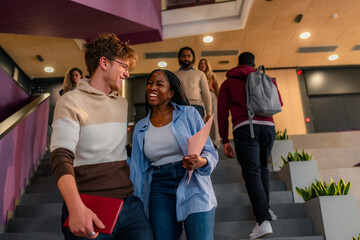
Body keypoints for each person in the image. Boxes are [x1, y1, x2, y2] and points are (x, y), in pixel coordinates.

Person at [50, 33, 153, 240]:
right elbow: (61, 157)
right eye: (124, 66)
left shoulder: (121, 103)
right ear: (104, 63)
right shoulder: (70, 101)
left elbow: (118, 148)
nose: (126, 74)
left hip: (129, 205)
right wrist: (76, 208)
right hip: (89, 205)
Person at [128, 69, 218, 240]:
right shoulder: (140, 127)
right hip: (159, 186)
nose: (152, 88)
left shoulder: (189, 114)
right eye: (149, 83)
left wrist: (201, 161)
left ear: (170, 93)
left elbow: (210, 151)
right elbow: (137, 171)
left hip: (192, 181)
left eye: (159, 84)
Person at [217, 52, 283, 239]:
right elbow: (280, 102)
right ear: (253, 64)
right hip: (269, 127)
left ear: (238, 63)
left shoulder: (228, 82)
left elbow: (222, 113)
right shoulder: (265, 78)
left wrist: (224, 139)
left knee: (252, 172)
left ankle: (262, 221)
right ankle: (266, 210)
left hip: (246, 127)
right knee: (262, 169)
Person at [174, 47, 212, 122]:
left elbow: (206, 94)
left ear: (193, 58)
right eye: (184, 56)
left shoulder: (200, 74)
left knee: (196, 133)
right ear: (179, 58)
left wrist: (209, 113)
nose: (186, 58)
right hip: (179, 107)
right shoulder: (174, 75)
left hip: (197, 107)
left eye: (189, 56)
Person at [198, 58, 220, 149]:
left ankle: (215, 141)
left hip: (212, 97)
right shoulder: (197, 75)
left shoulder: (212, 76)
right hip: (201, 98)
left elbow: (217, 90)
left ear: (207, 65)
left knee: (213, 119)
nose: (203, 65)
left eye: (205, 64)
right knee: (202, 119)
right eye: (201, 64)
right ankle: (204, 141)